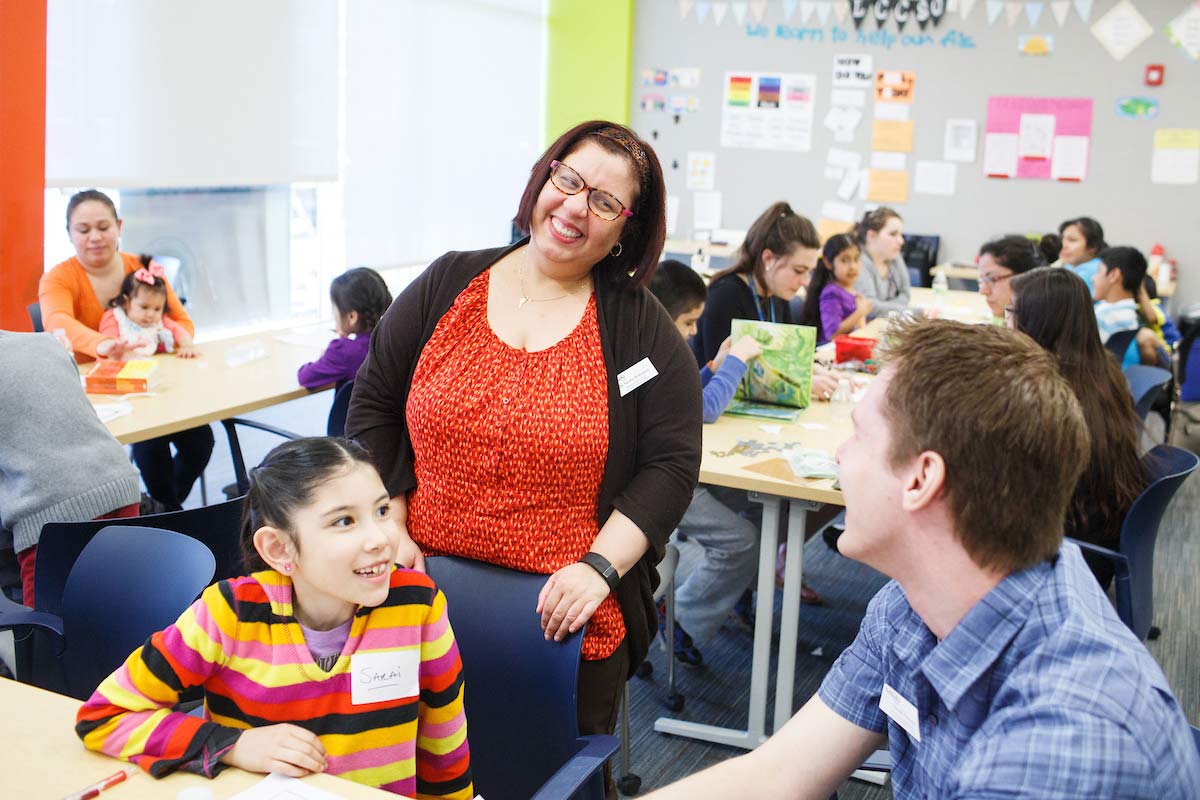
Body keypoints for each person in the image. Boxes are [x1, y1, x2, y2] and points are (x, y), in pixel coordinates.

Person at [643, 319, 1200, 799]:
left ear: (922, 479)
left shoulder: (1056, 748)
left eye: (858, 436)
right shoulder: (914, 604)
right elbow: (779, 775)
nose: (839, 453)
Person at [344, 121, 701, 766]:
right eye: (569, 181)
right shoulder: (449, 281)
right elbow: (374, 401)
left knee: (541, 775)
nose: (574, 208)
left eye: (604, 203)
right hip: (415, 583)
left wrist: (600, 568)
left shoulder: (639, 329)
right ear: (546, 174)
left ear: (626, 229)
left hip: (560, 612)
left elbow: (670, 465)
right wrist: (390, 522)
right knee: (402, 767)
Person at [75, 438, 472, 799]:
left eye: (382, 510)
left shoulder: (418, 605)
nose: (380, 539)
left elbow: (444, 746)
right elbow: (105, 715)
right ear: (280, 548)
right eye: (344, 521)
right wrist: (234, 745)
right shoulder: (229, 614)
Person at [40, 190, 214, 510]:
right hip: (98, 394)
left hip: (154, 383)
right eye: (83, 229)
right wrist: (102, 344)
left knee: (201, 441)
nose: (95, 237)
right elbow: (56, 321)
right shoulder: (58, 278)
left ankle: (163, 507)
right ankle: (169, 511)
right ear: (69, 234)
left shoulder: (143, 268)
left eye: (104, 227)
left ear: (119, 226)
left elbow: (181, 320)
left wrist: (172, 341)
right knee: (152, 441)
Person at [1008, 267, 1145, 587]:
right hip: (1090, 538)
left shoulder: (1045, 392)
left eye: (1011, 312)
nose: (1006, 322)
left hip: (1058, 557)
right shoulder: (1102, 370)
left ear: (1037, 322)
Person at [0, 331, 141, 607]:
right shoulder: (45, 341)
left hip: (46, 513)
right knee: (124, 604)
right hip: (119, 482)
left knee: (44, 637)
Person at [690, 201, 821, 365]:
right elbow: (721, 374)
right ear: (768, 259)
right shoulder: (725, 295)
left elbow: (788, 359)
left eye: (809, 271)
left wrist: (812, 371)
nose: (806, 281)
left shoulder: (777, 294)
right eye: (799, 270)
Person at [298, 267, 393, 389]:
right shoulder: (391, 341)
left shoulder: (343, 351)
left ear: (352, 317)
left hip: (352, 408)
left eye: (334, 307)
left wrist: (324, 356)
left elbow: (304, 377)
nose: (333, 314)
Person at [98, 257, 198, 358]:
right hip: (121, 367)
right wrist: (114, 348)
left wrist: (187, 345)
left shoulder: (160, 321)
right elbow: (108, 341)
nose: (150, 314)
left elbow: (179, 331)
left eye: (157, 309)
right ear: (126, 302)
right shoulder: (115, 317)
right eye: (144, 307)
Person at [798, 233, 871, 344]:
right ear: (828, 263)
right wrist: (860, 312)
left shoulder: (851, 289)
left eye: (856, 259)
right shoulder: (831, 292)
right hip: (829, 352)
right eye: (845, 260)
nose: (852, 266)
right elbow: (832, 333)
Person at [1093, 246, 1158, 366]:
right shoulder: (1128, 314)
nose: (1094, 278)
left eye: (1099, 272)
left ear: (1114, 275)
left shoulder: (1108, 318)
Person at [852, 206, 909, 318]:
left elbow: (905, 293)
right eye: (893, 234)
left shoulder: (895, 256)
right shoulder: (857, 261)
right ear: (871, 235)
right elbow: (869, 306)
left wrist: (885, 309)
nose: (901, 241)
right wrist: (911, 312)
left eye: (901, 235)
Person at [975, 234, 1046, 321]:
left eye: (993, 279)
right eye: (982, 279)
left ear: (1027, 278)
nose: (983, 291)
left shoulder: (1040, 329)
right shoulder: (1003, 320)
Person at [1056, 215, 1105, 294]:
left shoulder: (1096, 270)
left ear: (1093, 246)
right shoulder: (1069, 265)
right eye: (1062, 239)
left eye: (1072, 240)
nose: (1064, 245)